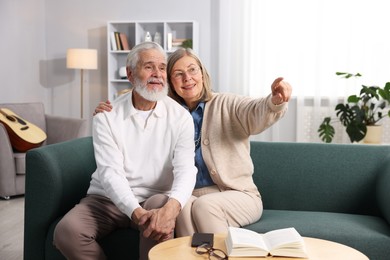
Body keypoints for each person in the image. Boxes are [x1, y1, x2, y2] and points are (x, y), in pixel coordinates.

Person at [94, 47, 292, 237]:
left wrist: (274, 102)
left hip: (236, 193)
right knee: (181, 208)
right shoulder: (169, 113)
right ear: (169, 81)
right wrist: (108, 111)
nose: (187, 78)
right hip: (191, 194)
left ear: (202, 73)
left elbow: (254, 111)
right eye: (178, 74)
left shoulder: (226, 104)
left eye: (192, 70)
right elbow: (134, 117)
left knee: (204, 206)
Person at [53, 42, 198, 260]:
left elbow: (186, 169)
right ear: (130, 74)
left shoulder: (181, 117)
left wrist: (171, 208)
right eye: (149, 67)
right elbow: (110, 173)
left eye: (161, 67)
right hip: (106, 201)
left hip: (154, 198)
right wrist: (137, 213)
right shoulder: (106, 116)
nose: (157, 74)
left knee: (160, 210)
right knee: (66, 231)